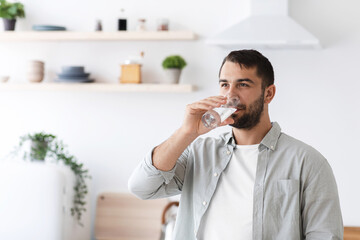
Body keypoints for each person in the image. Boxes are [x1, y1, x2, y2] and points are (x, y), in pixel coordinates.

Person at [128, 49, 343, 240]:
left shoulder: (308, 163)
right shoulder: (199, 153)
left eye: (243, 84)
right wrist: (186, 132)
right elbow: (141, 188)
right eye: (224, 84)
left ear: (268, 93)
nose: (230, 95)